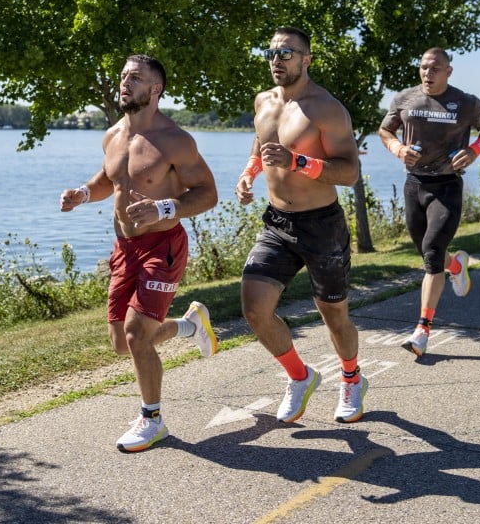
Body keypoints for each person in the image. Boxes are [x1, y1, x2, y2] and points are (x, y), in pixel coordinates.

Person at [60, 53, 219, 452]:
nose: (125, 82)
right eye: (123, 75)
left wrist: (163, 208)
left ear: (156, 89)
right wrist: (82, 193)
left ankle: (152, 419)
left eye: (135, 77)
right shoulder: (113, 134)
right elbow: (110, 178)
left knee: (136, 334)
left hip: (162, 246)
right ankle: (190, 326)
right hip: (124, 247)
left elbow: (208, 194)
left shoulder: (175, 140)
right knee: (121, 342)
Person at [235, 26, 367, 425]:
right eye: (271, 52)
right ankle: (300, 375)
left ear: (306, 59)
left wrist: (299, 163)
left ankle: (352, 377)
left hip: (320, 226)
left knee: (334, 316)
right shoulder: (263, 101)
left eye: (286, 53)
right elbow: (261, 145)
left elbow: (349, 173)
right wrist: (249, 174)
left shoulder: (326, 109)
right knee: (254, 309)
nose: (277, 60)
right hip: (277, 222)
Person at [377, 47, 480, 358]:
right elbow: (385, 130)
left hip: (446, 186)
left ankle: (422, 330)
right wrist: (398, 150)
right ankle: (456, 265)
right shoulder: (404, 98)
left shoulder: (466, 102)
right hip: (414, 184)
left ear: (448, 71)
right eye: (423, 68)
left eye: (435, 68)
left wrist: (474, 151)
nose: (428, 73)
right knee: (429, 252)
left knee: (432, 251)